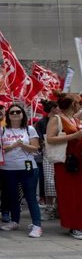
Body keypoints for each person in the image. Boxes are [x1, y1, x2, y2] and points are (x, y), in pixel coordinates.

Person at [0, 103, 42, 237]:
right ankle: (14, 221)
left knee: (30, 197)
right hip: (7, 168)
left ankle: (37, 225)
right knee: (12, 196)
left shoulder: (29, 129)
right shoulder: (2, 130)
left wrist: (23, 145)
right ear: (8, 116)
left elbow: (36, 148)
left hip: (27, 166)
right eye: (12, 112)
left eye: (18, 112)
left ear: (23, 114)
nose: (15, 114)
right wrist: (14, 145)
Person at [46, 92, 82, 239]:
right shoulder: (57, 119)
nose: (80, 105)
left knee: (79, 194)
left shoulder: (73, 118)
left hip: (78, 160)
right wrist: (75, 136)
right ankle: (74, 225)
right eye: (79, 102)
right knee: (71, 194)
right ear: (73, 104)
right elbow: (50, 138)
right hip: (66, 162)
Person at [37, 100, 59, 220]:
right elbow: (40, 140)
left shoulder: (63, 120)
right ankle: (50, 208)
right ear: (53, 109)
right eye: (58, 107)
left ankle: (58, 208)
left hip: (62, 153)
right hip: (49, 153)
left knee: (60, 181)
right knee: (49, 181)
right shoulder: (41, 122)